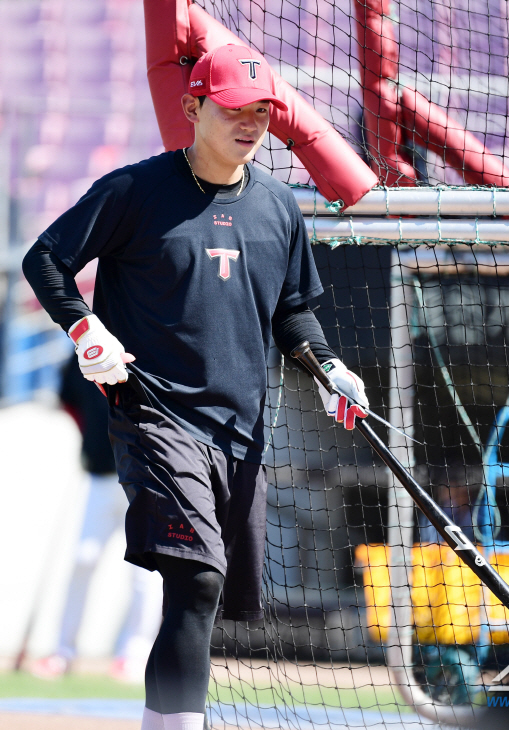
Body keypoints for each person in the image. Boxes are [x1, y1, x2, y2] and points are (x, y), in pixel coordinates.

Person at [23, 44, 368, 730]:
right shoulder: (134, 192)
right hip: (153, 417)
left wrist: (329, 368)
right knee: (197, 579)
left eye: (263, 113)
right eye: (235, 110)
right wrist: (85, 330)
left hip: (241, 432)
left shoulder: (278, 206)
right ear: (193, 107)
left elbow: (292, 312)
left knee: (209, 601)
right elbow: (47, 260)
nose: (250, 124)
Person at [31, 359, 163, 684]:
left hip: (143, 477)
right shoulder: (77, 359)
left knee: (144, 572)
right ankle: (63, 652)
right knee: (83, 559)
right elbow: (71, 404)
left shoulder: (143, 345)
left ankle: (135, 655)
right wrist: (91, 442)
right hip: (100, 476)